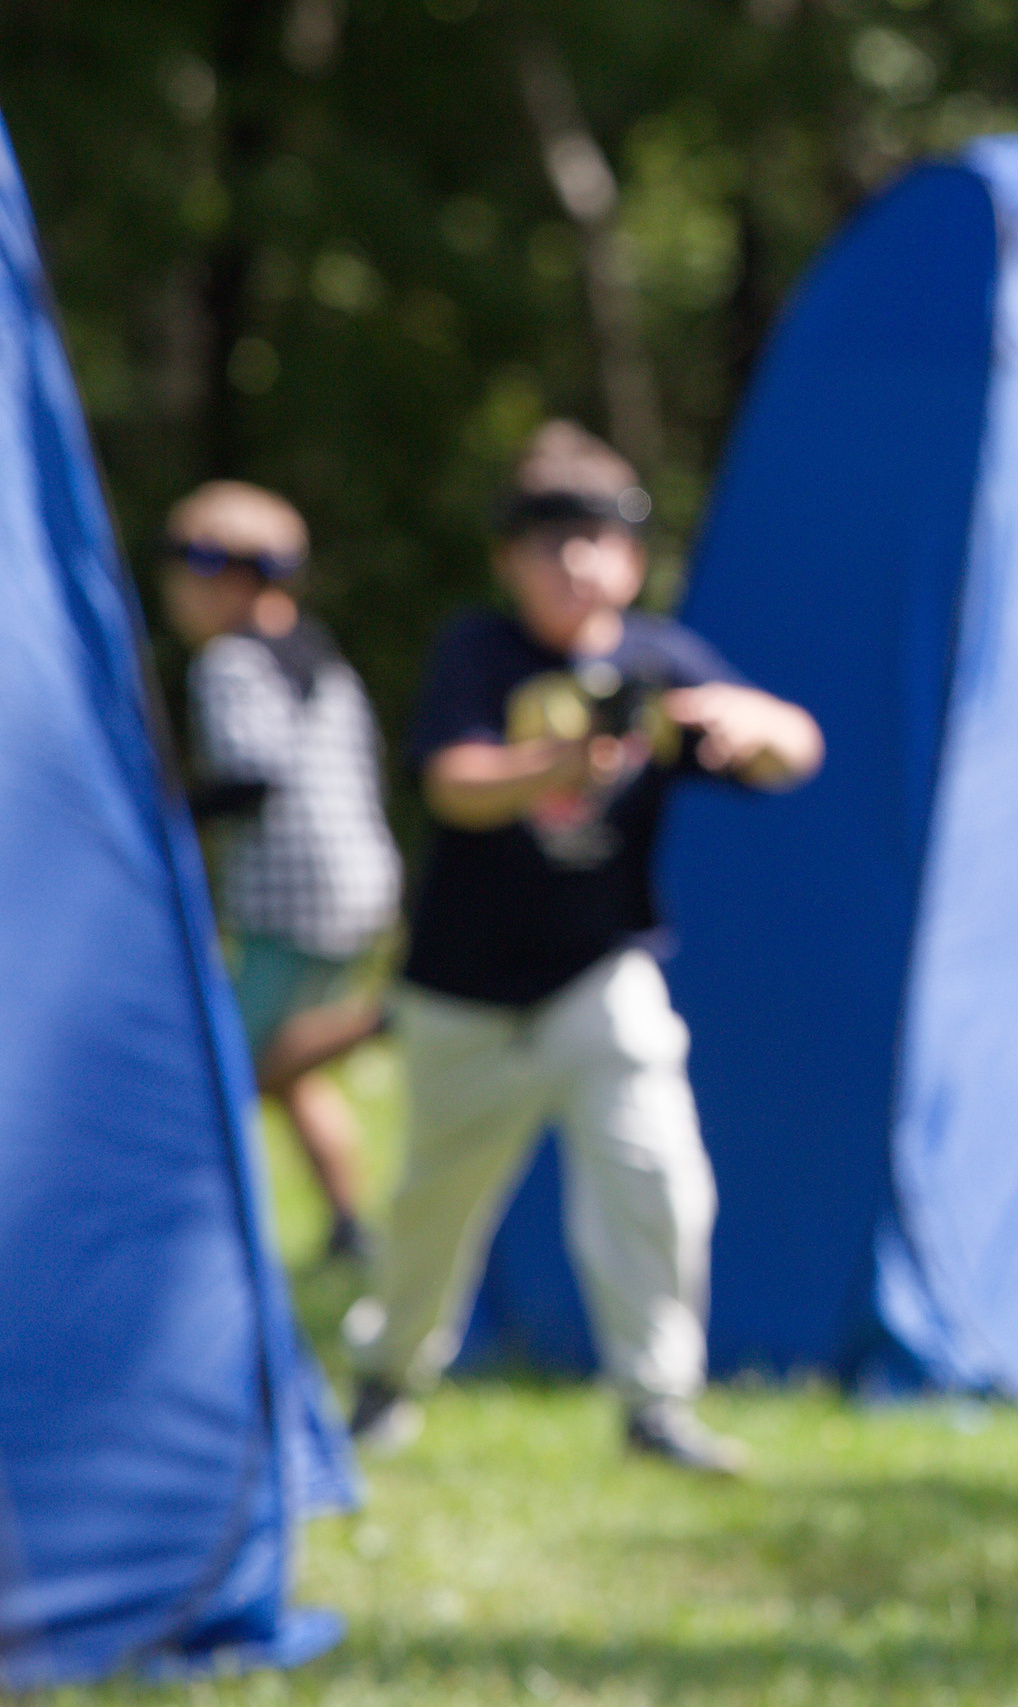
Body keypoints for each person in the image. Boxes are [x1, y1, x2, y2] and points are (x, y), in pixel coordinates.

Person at [345, 421, 824, 1473]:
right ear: (506, 561)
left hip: (599, 976)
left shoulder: (658, 660)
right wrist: (563, 757)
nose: (572, 562)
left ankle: (657, 1406)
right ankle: (387, 1381)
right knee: (435, 1204)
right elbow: (454, 786)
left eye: (594, 539)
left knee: (657, 1179)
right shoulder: (479, 652)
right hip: (463, 990)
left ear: (632, 558)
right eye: (546, 541)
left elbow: (797, 748)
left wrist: (750, 722)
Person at [163, 480, 402, 1265]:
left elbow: (250, 775)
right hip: (361, 886)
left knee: (222, 1066)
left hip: (292, 899)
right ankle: (348, 1226)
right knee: (290, 1069)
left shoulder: (229, 662)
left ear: (223, 576)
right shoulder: (320, 652)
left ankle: (400, 1017)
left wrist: (166, 812)